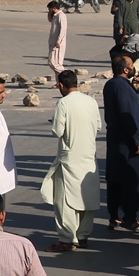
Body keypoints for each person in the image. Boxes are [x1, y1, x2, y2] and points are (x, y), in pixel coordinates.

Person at [41, 70, 101, 252]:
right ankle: (82, 236)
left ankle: (66, 239)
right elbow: (98, 126)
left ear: (61, 85)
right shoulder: (91, 101)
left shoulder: (64, 103)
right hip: (89, 156)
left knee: (64, 200)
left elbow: (58, 131)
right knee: (87, 197)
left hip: (69, 158)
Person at [103, 56, 139, 233]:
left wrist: (133, 88)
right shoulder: (122, 88)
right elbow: (127, 114)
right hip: (127, 142)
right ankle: (130, 217)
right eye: (131, 65)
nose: (134, 67)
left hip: (115, 140)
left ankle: (114, 216)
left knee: (115, 178)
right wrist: (137, 140)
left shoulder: (112, 85)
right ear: (126, 70)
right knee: (133, 178)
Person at [44, 0, 67, 75]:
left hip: (58, 43)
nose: (49, 11)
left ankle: (67, 75)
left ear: (54, 8)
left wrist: (58, 41)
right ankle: (59, 80)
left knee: (55, 63)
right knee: (52, 63)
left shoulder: (61, 16)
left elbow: (63, 30)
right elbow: (50, 20)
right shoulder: (55, 16)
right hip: (52, 42)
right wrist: (50, 13)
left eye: (50, 9)